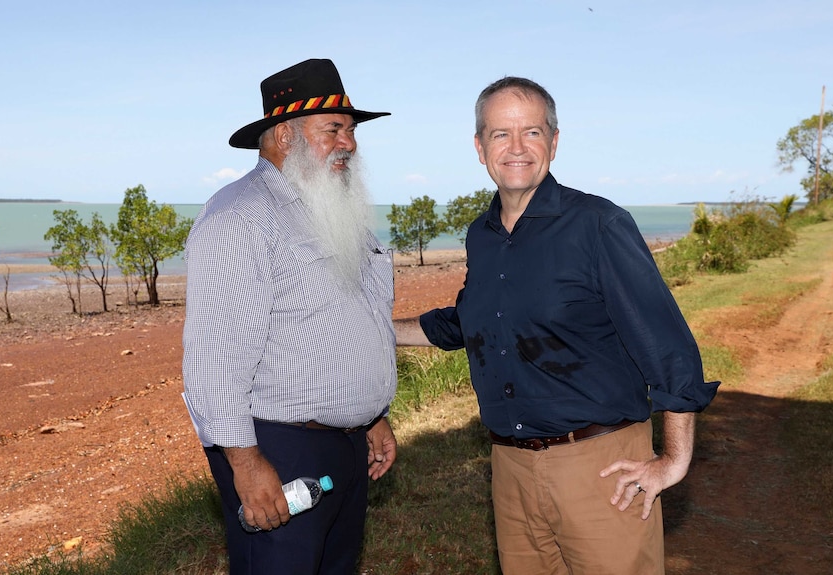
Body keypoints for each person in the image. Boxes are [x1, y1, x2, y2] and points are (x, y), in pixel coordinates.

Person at [395, 76, 720, 574]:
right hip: (510, 470)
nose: (518, 147)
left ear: (554, 140)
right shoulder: (481, 235)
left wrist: (673, 460)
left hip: (601, 468)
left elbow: (668, 346)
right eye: (501, 134)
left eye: (532, 132)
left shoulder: (598, 225)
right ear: (480, 147)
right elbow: (473, 320)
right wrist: (381, 327)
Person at [182, 58, 397, 575]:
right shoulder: (240, 217)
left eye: (350, 131)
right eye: (334, 129)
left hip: (343, 452)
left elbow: (353, 316)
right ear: (284, 135)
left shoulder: (333, 210)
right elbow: (215, 357)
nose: (349, 143)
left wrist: (371, 416)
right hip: (279, 452)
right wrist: (245, 461)